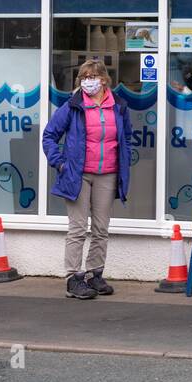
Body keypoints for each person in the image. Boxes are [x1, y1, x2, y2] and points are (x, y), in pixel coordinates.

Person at [42, 60, 132, 300]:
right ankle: (73, 278)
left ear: (104, 80)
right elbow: (49, 135)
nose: (88, 81)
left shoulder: (119, 107)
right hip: (77, 174)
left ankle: (95, 275)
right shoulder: (72, 106)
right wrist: (60, 163)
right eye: (83, 77)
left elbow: (127, 138)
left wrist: (124, 161)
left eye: (92, 76)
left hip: (108, 173)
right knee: (78, 228)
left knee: (101, 228)